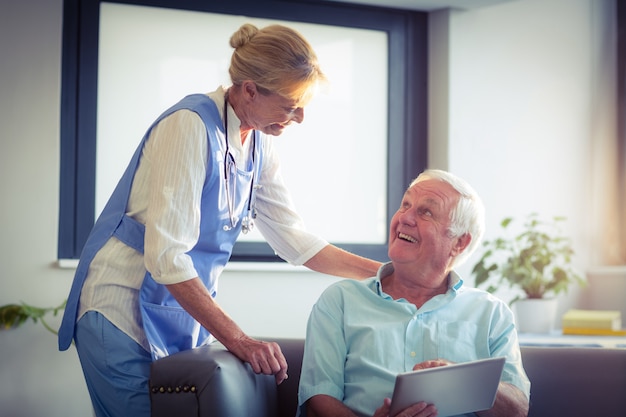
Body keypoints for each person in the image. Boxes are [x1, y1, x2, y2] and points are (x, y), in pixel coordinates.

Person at [57, 23, 381, 417]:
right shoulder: (189, 125)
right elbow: (167, 258)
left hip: (173, 311)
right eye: (291, 104)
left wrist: (387, 275)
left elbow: (294, 240)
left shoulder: (260, 142)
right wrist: (240, 340)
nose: (299, 118)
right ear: (249, 90)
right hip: (121, 307)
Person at [297, 169, 531, 417]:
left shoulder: (492, 313)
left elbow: (517, 409)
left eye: (426, 212)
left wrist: (459, 378)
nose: (405, 218)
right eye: (405, 205)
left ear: (459, 243)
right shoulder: (340, 301)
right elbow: (318, 399)